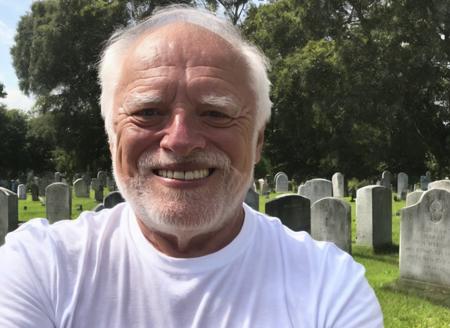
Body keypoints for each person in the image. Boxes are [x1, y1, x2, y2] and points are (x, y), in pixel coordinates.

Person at [0, 5, 383, 327]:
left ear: (258, 140)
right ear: (111, 135)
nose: (180, 140)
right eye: (148, 112)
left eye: (215, 113)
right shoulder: (41, 267)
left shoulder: (330, 288)